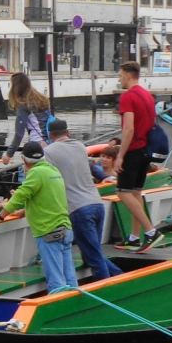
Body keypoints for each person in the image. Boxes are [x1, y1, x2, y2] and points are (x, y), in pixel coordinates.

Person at [0, 143, 77, 294]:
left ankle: (57, 308)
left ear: (23, 159)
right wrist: (25, 211)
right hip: (65, 229)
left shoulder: (36, 173)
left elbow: (20, 196)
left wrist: (0, 216)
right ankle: (75, 304)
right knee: (70, 278)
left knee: (56, 281)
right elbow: (45, 198)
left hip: (49, 231)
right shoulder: (52, 170)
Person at [44, 119, 123, 280]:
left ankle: (110, 289)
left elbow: (46, 179)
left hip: (78, 209)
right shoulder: (80, 146)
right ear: (68, 133)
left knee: (94, 258)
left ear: (50, 135)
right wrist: (104, 177)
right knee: (92, 254)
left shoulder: (49, 152)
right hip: (96, 204)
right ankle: (121, 277)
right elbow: (92, 167)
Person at [115, 60, 159, 248]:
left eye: (120, 74)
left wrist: (120, 155)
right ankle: (134, 236)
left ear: (128, 74)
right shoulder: (147, 95)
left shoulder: (128, 97)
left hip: (133, 150)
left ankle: (150, 231)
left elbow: (129, 129)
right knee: (136, 193)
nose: (119, 78)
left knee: (123, 193)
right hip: (146, 149)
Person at [1, 72, 52, 164]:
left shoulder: (23, 105)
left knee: (25, 171)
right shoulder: (42, 99)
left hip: (37, 144)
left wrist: (9, 154)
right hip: (50, 142)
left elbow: (19, 134)